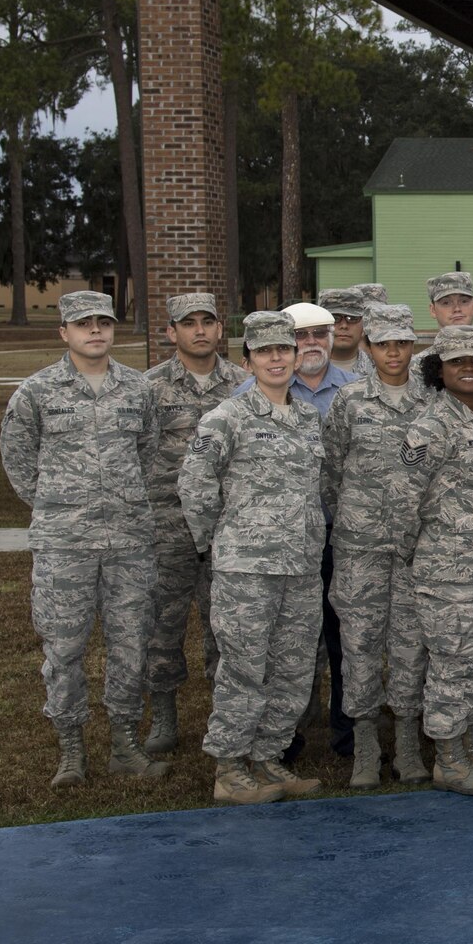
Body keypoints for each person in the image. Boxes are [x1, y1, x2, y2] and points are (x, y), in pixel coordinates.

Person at [0, 290, 165, 789]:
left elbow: (148, 452)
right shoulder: (37, 391)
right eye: (84, 323)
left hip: (129, 541)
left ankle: (123, 744)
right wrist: (56, 505)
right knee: (64, 648)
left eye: (104, 322)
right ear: (64, 332)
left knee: (130, 643)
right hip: (63, 545)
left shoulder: (138, 390)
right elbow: (17, 457)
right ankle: (71, 749)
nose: (96, 331)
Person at [180, 310, 329, 803]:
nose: (276, 359)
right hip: (246, 568)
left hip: (301, 565)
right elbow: (195, 486)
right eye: (264, 351)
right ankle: (229, 768)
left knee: (291, 667)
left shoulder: (308, 418)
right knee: (244, 668)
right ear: (247, 362)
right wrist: (216, 544)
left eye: (283, 350)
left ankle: (268, 758)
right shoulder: (226, 418)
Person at [393, 325, 473, 797]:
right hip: (449, 571)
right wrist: (420, 558)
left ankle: (472, 748)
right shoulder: (429, 426)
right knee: (453, 664)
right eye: (456, 362)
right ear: (438, 369)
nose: (468, 368)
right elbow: (403, 501)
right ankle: (447, 760)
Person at [236, 300, 358, 759]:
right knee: (288, 644)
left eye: (320, 334)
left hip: (342, 538)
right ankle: (284, 737)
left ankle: (347, 735)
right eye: (300, 336)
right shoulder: (246, 400)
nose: (311, 344)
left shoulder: (354, 391)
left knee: (345, 638)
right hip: (277, 544)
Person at [321, 303, 432, 789]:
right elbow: (330, 473)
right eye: (383, 343)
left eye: (402, 343)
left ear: (413, 346)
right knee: (360, 644)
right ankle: (365, 745)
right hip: (359, 547)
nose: (393, 352)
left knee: (411, 646)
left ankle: (407, 743)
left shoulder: (432, 400)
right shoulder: (349, 401)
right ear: (368, 347)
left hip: (416, 547)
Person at [140, 292, 239, 756]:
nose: (199, 330)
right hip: (168, 528)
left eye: (208, 321)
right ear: (171, 332)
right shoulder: (149, 388)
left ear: (221, 329)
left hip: (227, 529)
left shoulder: (245, 384)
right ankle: (164, 716)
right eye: (188, 323)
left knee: (228, 628)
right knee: (163, 626)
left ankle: (227, 716)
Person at [318, 287, 372, 376]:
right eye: (335, 318)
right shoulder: (302, 369)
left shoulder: (380, 371)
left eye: (352, 318)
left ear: (363, 323)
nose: (344, 326)